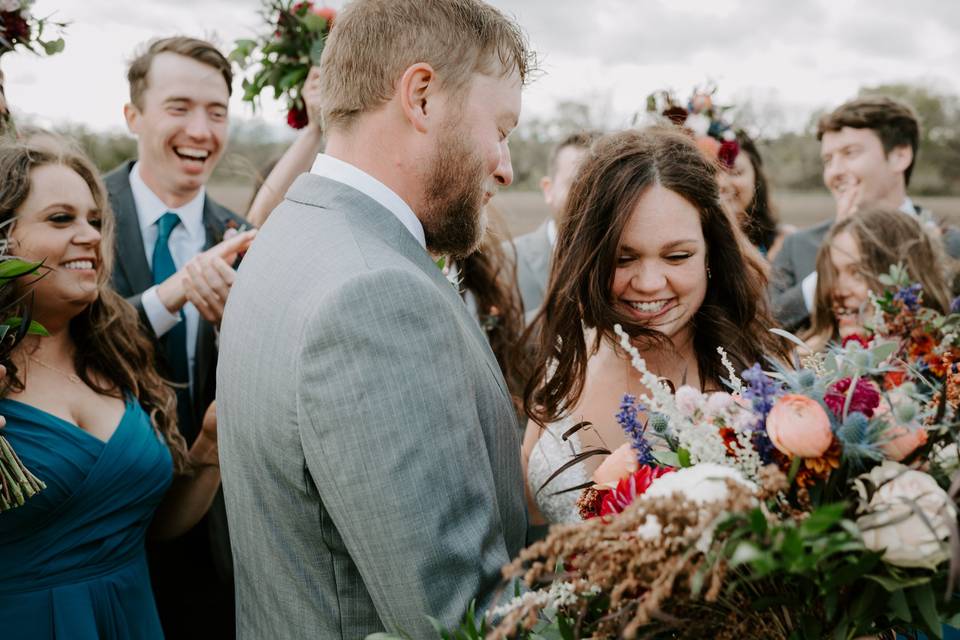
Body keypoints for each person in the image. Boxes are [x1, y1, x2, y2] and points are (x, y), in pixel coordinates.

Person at [215, 0, 536, 638]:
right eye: (500, 129)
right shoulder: (375, 294)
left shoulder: (286, 234)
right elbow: (457, 617)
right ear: (420, 97)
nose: (504, 165)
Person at [0, 139, 223, 640]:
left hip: (131, 617)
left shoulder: (115, 355)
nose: (89, 236)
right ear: (2, 239)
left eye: (95, 221)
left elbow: (151, 526)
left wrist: (209, 448)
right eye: (61, 219)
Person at [521, 127, 788, 525]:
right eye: (623, 259)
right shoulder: (565, 360)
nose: (649, 283)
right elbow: (529, 521)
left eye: (677, 256)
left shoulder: (760, 382)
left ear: (711, 254)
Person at [103, 36, 255, 639]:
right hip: (102, 529)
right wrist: (179, 292)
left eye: (217, 112)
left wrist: (236, 328)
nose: (201, 130)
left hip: (214, 540)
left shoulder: (240, 237)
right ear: (133, 116)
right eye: (179, 107)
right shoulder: (76, 219)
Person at [771, 95, 960, 331]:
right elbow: (766, 329)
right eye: (828, 160)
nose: (835, 172)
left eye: (850, 153)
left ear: (900, 156)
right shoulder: (797, 246)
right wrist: (834, 260)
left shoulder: (953, 244)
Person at [804, 208, 953, 351]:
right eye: (833, 274)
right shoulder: (805, 364)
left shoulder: (948, 365)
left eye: (857, 273)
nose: (837, 291)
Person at [510, 131, 595, 318]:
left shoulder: (626, 264)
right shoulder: (504, 261)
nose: (591, 199)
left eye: (601, 187)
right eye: (577, 186)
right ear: (549, 190)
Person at [717, 130, 794, 262]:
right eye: (710, 171)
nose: (721, 182)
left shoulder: (785, 243)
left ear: (756, 178)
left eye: (736, 172)